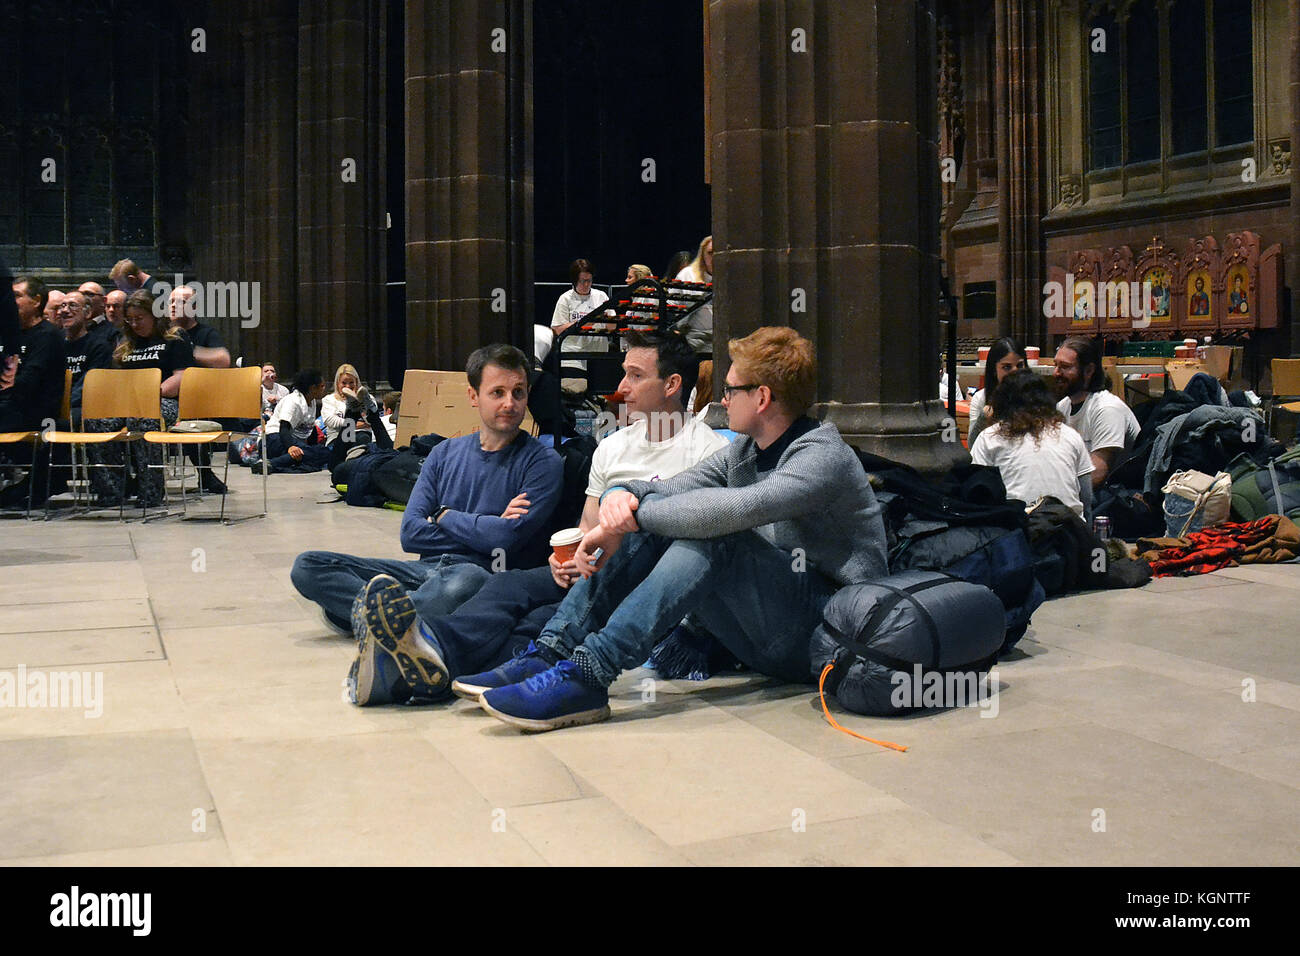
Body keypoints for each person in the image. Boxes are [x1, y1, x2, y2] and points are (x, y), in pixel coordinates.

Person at [358, 327, 887, 731]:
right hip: (760, 627)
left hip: (825, 635)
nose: (723, 399)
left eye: (731, 389)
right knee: (649, 527)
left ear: (764, 398)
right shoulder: (746, 450)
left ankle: (588, 676)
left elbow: (734, 511)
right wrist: (623, 500)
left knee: (715, 533)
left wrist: (628, 513)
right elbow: (676, 488)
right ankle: (550, 653)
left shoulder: (821, 456)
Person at [345, 331, 729, 706]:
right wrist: (568, 557)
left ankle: (425, 666)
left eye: (635, 375)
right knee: (507, 586)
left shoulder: (706, 451)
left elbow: (695, 542)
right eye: (624, 372)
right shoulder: (612, 446)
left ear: (672, 384)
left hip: (648, 578)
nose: (621, 386)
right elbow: (586, 524)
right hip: (594, 565)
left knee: (543, 616)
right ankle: (432, 648)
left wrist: (447, 519)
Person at [291, 344, 563, 642]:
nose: (510, 403)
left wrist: (443, 515)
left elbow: (505, 540)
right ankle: (398, 615)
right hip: (424, 571)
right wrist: (489, 522)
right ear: (473, 396)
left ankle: (366, 612)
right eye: (497, 393)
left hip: (480, 577)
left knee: (465, 581)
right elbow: (410, 533)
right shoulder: (443, 454)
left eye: (518, 392)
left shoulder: (542, 462)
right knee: (309, 565)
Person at [86, 291, 195, 507]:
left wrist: (150, 394)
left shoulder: (174, 338)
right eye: (131, 319)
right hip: (127, 402)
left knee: (143, 419)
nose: (135, 324)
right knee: (97, 420)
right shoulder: (126, 344)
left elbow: (181, 377)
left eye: (140, 318)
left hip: (163, 402)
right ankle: (113, 490)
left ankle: (150, 490)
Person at [970, 370, 1094, 518]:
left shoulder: (989, 437)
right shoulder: (1071, 435)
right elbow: (1086, 496)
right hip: (1068, 530)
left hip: (1016, 531)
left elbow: (977, 494)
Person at [0, 275, 65, 507]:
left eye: (17, 296)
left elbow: (29, 382)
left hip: (35, 413)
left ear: (37, 301)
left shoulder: (48, 336)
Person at [1053, 335, 1139, 489]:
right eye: (1056, 365)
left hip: (1112, 495)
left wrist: (1056, 491)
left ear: (1089, 371)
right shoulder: (1062, 406)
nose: (1056, 373)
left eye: (1065, 367)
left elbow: (1097, 474)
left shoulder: (1107, 408)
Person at [320, 363, 393, 471]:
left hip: (364, 439)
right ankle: (353, 413)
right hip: (338, 440)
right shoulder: (329, 400)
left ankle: (357, 412)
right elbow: (330, 421)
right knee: (354, 435)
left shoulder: (365, 396)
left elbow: (369, 423)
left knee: (364, 435)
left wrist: (360, 421)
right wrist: (355, 423)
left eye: (351, 383)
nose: (348, 387)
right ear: (337, 383)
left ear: (357, 382)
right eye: (344, 383)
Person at [262, 368, 330, 473]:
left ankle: (276, 463)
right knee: (315, 454)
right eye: (321, 386)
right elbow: (284, 428)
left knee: (322, 453)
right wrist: (291, 447)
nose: (324, 389)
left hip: (293, 441)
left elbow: (310, 431)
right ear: (313, 388)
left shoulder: (312, 402)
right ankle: (270, 464)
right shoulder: (293, 401)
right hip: (275, 439)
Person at [550, 258, 610, 373]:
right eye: (583, 281)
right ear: (574, 280)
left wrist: (607, 318)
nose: (587, 284)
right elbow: (557, 329)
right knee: (575, 388)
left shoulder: (601, 296)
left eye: (589, 280)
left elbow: (612, 327)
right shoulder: (565, 298)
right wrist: (586, 321)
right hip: (573, 356)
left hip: (598, 355)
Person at [967, 337, 1027, 444]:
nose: (1015, 372)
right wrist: (984, 418)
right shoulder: (981, 398)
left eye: (1019, 365)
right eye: (1007, 367)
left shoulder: (1036, 397)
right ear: (994, 370)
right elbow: (972, 445)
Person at [168, 285, 232, 368]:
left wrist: (184, 349)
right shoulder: (162, 334)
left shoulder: (206, 333)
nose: (173, 305)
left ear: (194, 307)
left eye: (181, 302)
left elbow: (223, 360)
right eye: (171, 302)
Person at [674, 235, 713, 355]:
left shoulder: (734, 276)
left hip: (726, 341)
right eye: (710, 253)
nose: (715, 257)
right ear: (703, 255)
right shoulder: (686, 275)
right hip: (692, 343)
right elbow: (673, 306)